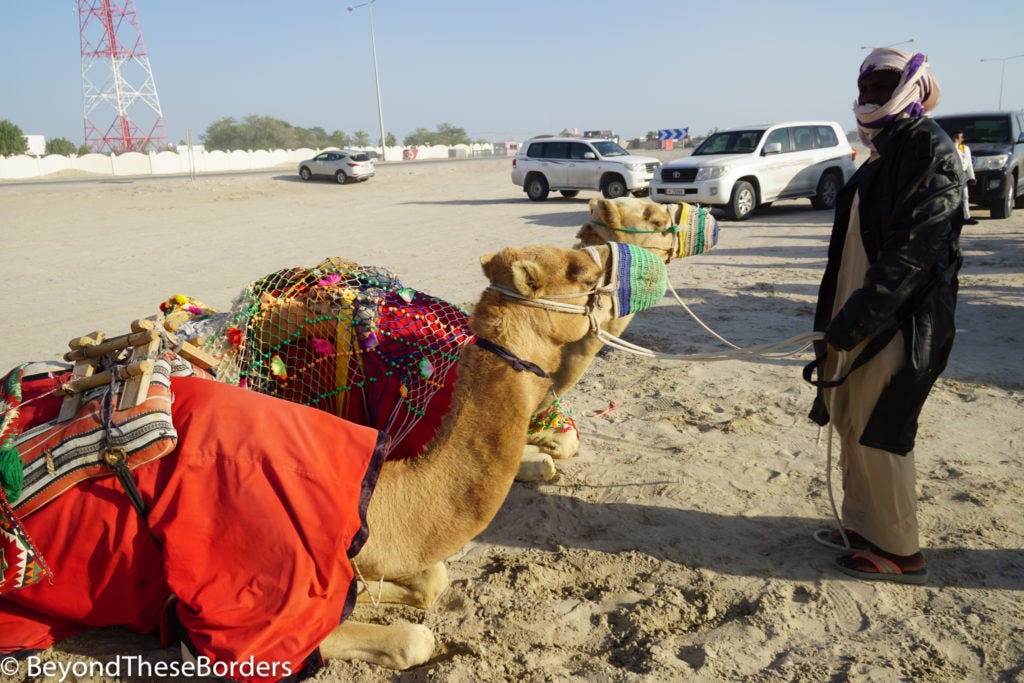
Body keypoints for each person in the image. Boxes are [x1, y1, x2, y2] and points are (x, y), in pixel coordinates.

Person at [804, 48, 964, 584]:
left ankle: (898, 551)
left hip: (899, 323)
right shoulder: (884, 150)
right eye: (866, 86)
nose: (871, 95)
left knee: (881, 431)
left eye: (884, 85)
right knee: (851, 421)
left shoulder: (928, 150)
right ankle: (864, 527)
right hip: (860, 314)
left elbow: (912, 256)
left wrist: (857, 320)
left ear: (913, 88)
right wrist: (839, 322)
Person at [952, 130, 978, 224]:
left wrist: (972, 177)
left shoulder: (965, 148)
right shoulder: (951, 148)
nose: (960, 139)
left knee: (965, 196)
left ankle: (966, 217)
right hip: (953, 175)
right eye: (958, 137)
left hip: (963, 174)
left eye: (960, 137)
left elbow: (969, 164)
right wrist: (955, 144)